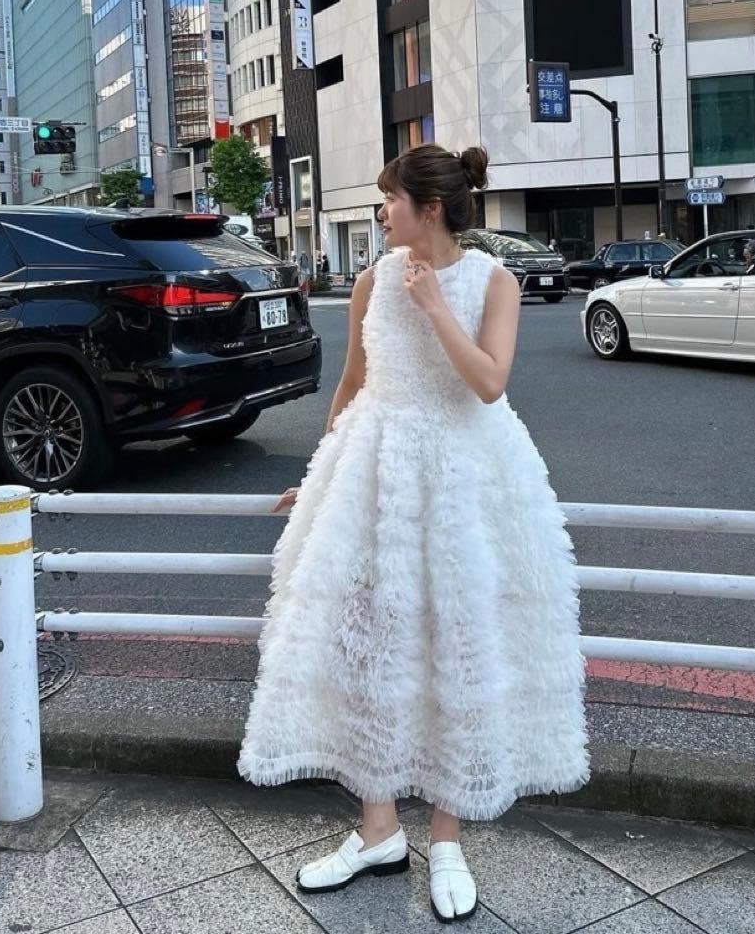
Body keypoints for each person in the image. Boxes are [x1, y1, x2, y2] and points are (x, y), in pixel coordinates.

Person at [238, 144, 590, 923]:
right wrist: (320, 476)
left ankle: (448, 840)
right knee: (371, 645)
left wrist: (434, 305)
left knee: (454, 648)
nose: (380, 212)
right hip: (375, 473)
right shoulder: (370, 280)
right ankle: (378, 831)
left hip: (463, 479)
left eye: (389, 199)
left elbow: (489, 382)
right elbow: (353, 384)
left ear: (429, 208)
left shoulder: (493, 281)